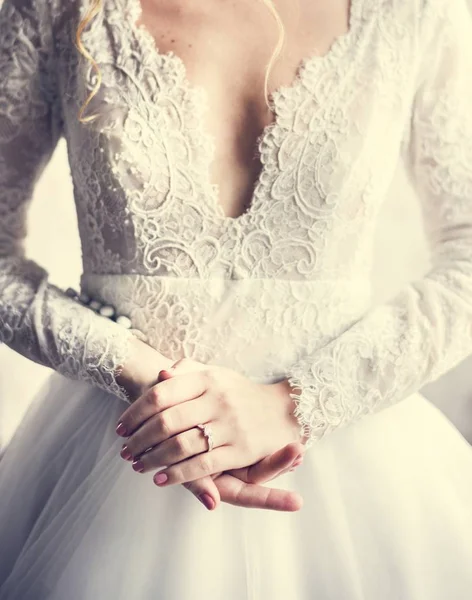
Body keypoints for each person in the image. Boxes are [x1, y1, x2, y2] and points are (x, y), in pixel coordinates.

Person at [1, 0, 472, 597]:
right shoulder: (52, 7)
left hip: (353, 454)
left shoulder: (415, 12)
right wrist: (143, 373)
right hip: (122, 442)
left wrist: (292, 405)